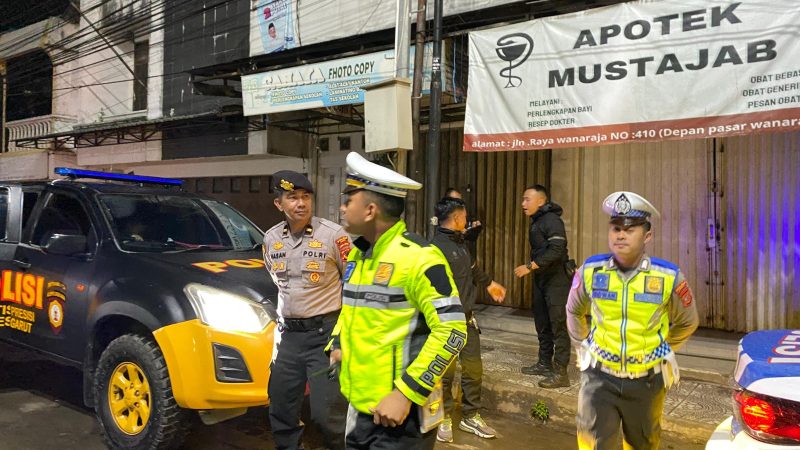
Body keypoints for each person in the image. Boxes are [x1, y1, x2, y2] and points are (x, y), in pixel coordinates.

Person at [328, 152, 467, 450]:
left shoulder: (419, 257)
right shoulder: (358, 255)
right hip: (360, 409)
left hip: (402, 418)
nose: (341, 207)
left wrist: (406, 393)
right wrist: (337, 344)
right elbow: (351, 311)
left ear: (370, 210)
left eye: (348, 199)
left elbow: (453, 331)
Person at [566, 191, 699, 450]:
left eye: (630, 229)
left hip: (647, 382)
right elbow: (573, 310)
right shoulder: (591, 270)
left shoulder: (668, 277)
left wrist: (662, 348)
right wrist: (582, 346)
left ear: (647, 236)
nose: (620, 235)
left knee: (642, 445)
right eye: (616, 228)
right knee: (592, 443)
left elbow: (688, 321)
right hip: (599, 378)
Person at [262, 170, 351, 450]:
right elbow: (281, 288)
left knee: (327, 416)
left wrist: (344, 337)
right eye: (292, 198)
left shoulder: (334, 235)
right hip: (289, 338)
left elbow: (353, 286)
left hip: (324, 337)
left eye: (306, 197)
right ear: (279, 204)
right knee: (280, 409)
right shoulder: (270, 239)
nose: (301, 203)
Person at [429, 197, 506, 443]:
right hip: (445, 323)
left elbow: (472, 270)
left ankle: (470, 416)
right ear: (457, 218)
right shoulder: (435, 248)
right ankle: (444, 418)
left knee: (474, 370)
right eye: (464, 216)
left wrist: (490, 283)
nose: (467, 219)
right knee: (446, 374)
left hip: (468, 319)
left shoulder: (460, 243)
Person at [513, 184, 573, 388]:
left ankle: (561, 373)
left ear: (541, 201)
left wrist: (530, 266)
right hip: (542, 279)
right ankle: (544, 363)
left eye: (527, 199)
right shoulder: (538, 221)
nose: (523, 204)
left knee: (558, 325)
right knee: (542, 322)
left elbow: (558, 249)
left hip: (557, 280)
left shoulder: (552, 220)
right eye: (523, 199)